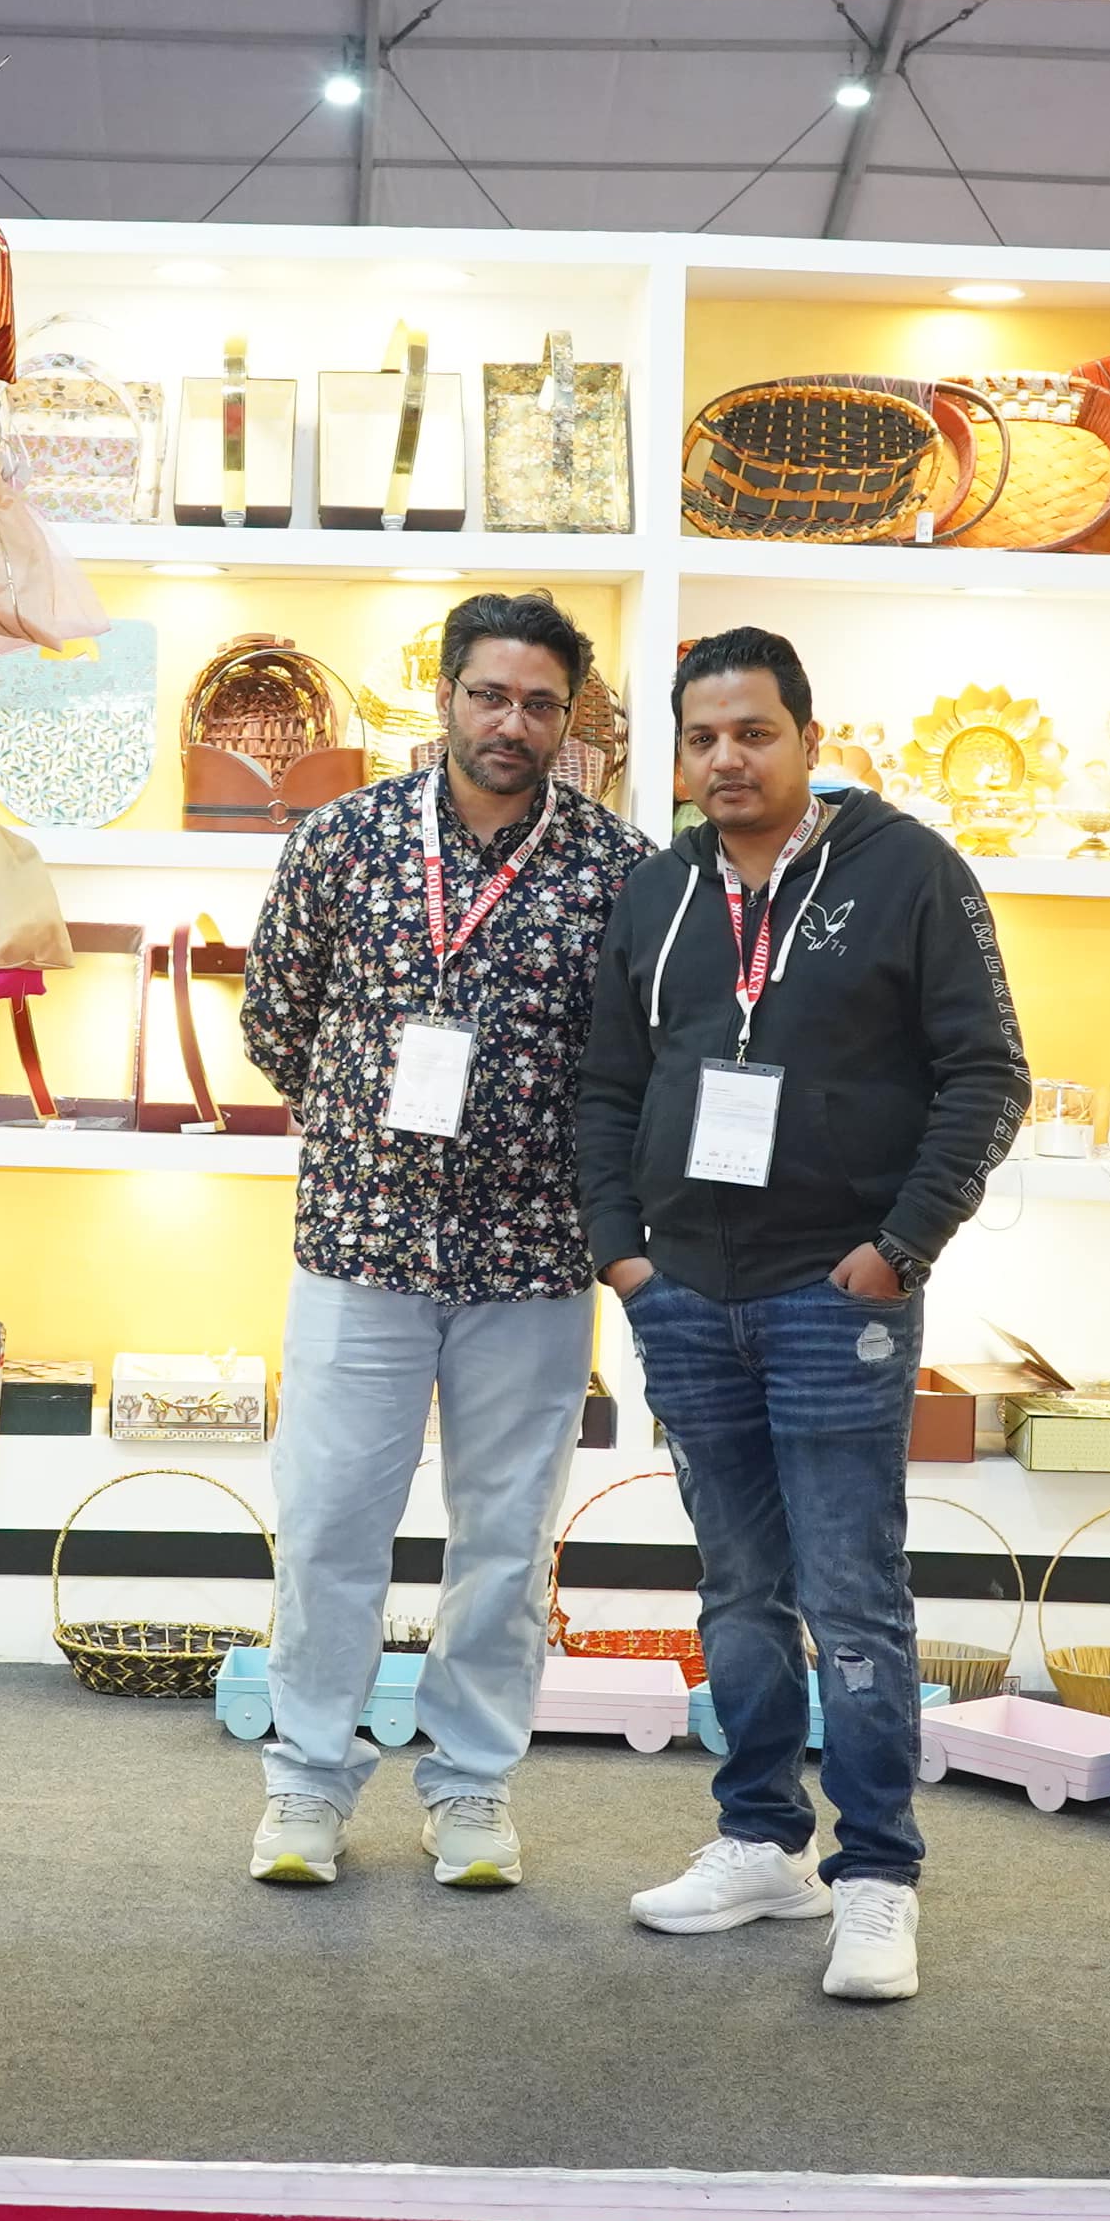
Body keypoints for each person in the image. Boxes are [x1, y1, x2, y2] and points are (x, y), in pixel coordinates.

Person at [569, 628, 1027, 2004]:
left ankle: (877, 1874)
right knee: (737, 1591)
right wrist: (623, 1257)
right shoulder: (657, 892)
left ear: (810, 741)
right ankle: (762, 1840)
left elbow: (989, 1076)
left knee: (853, 1596)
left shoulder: (910, 874)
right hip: (686, 1298)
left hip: (840, 1298)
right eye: (703, 738)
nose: (727, 759)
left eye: (754, 733)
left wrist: (900, 1248)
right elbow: (607, 1087)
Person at [227, 592, 649, 1891]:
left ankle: (471, 1787)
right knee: (328, 1526)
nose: (511, 723)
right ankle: (306, 1783)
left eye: (539, 704)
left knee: (506, 1543)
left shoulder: (620, 871)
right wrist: (370, 1131)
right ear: (448, 697)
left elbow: (635, 1062)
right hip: (359, 1247)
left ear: (569, 720)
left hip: (532, 1260)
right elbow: (275, 1019)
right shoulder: (342, 842)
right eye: (490, 695)